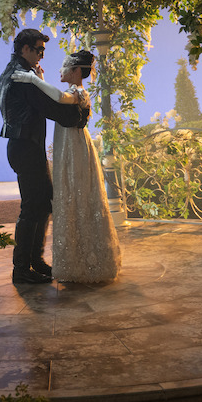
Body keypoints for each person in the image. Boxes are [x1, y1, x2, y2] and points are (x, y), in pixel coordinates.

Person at [11, 50, 121, 283]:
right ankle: (71, 256)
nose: (59, 71)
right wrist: (40, 80)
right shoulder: (75, 90)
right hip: (68, 146)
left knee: (77, 192)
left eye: (64, 68)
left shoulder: (78, 91)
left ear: (74, 72)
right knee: (70, 193)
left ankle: (83, 258)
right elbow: (56, 97)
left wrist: (34, 79)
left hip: (74, 149)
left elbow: (60, 98)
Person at [0, 29, 90, 284]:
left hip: (25, 146)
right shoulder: (22, 77)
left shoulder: (13, 72)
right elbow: (51, 108)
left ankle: (34, 262)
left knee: (42, 203)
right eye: (38, 50)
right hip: (25, 147)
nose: (41, 55)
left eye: (43, 51)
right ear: (24, 49)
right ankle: (22, 268)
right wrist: (81, 116)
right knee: (32, 207)